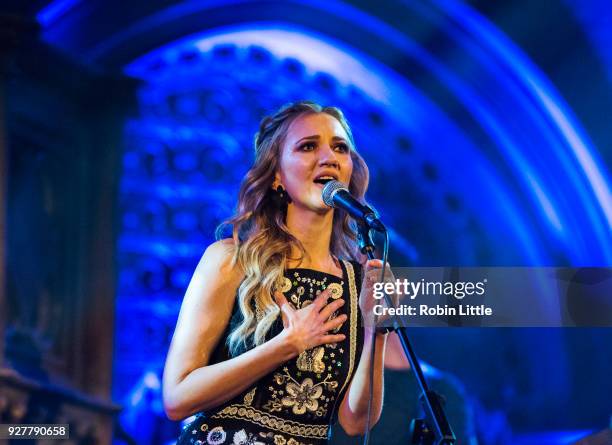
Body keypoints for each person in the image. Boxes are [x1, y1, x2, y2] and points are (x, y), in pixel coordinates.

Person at [162, 101, 389, 445]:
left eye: (340, 148)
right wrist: (287, 345)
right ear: (277, 176)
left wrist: (376, 330)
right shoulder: (231, 260)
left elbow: (357, 422)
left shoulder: (356, 282)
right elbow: (177, 397)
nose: (328, 157)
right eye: (308, 146)